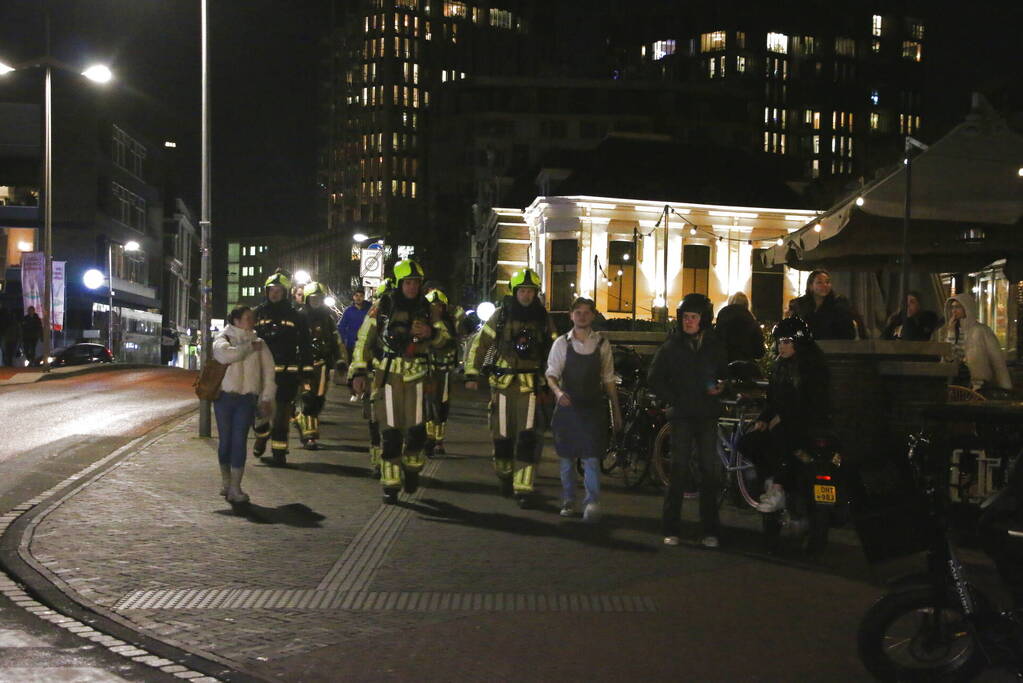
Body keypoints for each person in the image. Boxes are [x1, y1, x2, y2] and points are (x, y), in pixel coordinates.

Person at [349, 259, 450, 503]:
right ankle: (390, 484)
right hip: (389, 375)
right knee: (391, 432)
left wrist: (431, 333)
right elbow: (364, 340)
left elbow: (446, 339)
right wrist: (359, 372)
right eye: (408, 282)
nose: (413, 287)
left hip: (418, 375)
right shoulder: (382, 307)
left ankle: (412, 469)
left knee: (416, 432)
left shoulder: (429, 309)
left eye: (416, 282)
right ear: (399, 283)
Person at [464, 268, 558, 508]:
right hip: (503, 385)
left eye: (531, 291)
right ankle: (505, 474)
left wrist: (553, 380)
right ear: (515, 292)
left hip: (529, 386)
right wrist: (472, 373)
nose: (527, 295)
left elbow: (554, 351)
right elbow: (480, 344)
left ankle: (523, 486)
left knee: (528, 437)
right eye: (523, 291)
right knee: (502, 435)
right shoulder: (500, 315)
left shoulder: (543, 319)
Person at [648, 293, 727, 548]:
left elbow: (723, 373)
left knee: (708, 472)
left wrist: (720, 387)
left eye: (693, 317)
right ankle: (671, 527)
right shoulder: (672, 346)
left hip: (706, 414)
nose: (688, 322)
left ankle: (709, 530)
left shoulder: (714, 346)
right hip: (682, 415)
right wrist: (674, 398)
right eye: (685, 317)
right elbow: (655, 378)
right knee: (679, 471)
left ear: (703, 320)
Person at [744, 316, 831, 521]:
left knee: (782, 441)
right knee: (748, 442)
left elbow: (811, 402)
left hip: (807, 423)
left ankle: (778, 487)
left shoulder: (812, 366)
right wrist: (764, 418)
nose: (781, 347)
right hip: (784, 421)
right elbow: (773, 398)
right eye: (779, 342)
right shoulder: (780, 366)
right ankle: (771, 482)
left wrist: (782, 418)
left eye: (786, 342)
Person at [546, 297, 622, 522]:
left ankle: (591, 502)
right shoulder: (561, 343)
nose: (582, 316)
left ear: (593, 316)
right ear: (571, 315)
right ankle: (569, 500)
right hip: (568, 408)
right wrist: (559, 393)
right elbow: (551, 374)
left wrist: (615, 410)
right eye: (577, 312)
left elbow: (608, 379)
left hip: (592, 408)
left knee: (591, 457)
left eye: (586, 312)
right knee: (567, 458)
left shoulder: (602, 345)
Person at [211, 306, 276, 504]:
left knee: (239, 441)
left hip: (247, 399)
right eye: (247, 318)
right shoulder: (223, 339)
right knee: (225, 442)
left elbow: (269, 372)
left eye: (252, 317)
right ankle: (226, 482)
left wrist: (266, 397)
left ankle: (235, 488)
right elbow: (226, 356)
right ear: (236, 320)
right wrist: (248, 348)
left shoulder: (260, 343)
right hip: (224, 397)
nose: (252, 321)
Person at [252, 269, 315, 466]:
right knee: (260, 411)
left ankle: (279, 453)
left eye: (278, 290)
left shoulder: (297, 316)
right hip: (261, 372)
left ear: (285, 292)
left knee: (281, 414)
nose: (274, 293)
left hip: (287, 372)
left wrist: (307, 370)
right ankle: (262, 436)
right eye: (271, 289)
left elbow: (305, 344)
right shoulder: (257, 313)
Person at [295, 281, 347, 450]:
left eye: (319, 298)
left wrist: (340, 359)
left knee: (318, 400)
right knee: (307, 398)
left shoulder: (328, 319)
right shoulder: (299, 317)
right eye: (313, 298)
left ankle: (303, 422)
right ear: (307, 299)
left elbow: (336, 340)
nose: (316, 302)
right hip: (304, 364)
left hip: (322, 365)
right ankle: (310, 436)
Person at [941, 292, 1012, 392]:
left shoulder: (981, 331)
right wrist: (951, 333)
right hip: (956, 384)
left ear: (967, 308)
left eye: (958, 307)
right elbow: (948, 358)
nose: (954, 311)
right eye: (952, 307)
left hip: (980, 386)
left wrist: (1005, 387)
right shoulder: (951, 331)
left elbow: (997, 360)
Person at [423, 286, 461, 457]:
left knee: (442, 404)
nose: (436, 309)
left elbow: (450, 340)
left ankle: (439, 439)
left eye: (440, 306)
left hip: (444, 371)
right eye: (433, 305)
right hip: (427, 370)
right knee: (428, 404)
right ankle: (429, 437)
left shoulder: (449, 325)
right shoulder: (422, 324)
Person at [792, 270, 856, 340]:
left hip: (834, 345)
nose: (825, 285)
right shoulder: (800, 304)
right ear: (811, 286)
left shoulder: (839, 302)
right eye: (819, 282)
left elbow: (848, 331)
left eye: (827, 282)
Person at [714, 292, 765, 363]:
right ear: (747, 305)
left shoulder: (722, 317)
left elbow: (716, 342)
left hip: (724, 365)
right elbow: (759, 352)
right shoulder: (752, 321)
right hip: (746, 366)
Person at [338, 288, 371, 363]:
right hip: (351, 345)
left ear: (364, 297)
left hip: (365, 345)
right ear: (353, 297)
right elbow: (341, 327)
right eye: (356, 295)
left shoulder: (369, 311)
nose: (358, 298)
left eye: (361, 296)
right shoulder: (348, 311)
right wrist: (342, 342)